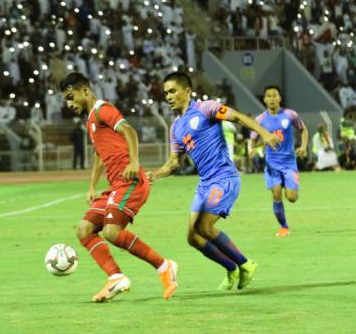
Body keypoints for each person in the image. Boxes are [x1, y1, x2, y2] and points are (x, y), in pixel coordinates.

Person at [148, 72, 279, 290]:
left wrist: (263, 132)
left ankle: (246, 264)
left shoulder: (205, 108)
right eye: (166, 93)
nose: (168, 97)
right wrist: (154, 175)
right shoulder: (175, 128)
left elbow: (236, 116)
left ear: (187, 91)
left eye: (172, 91)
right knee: (193, 237)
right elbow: (174, 163)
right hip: (205, 184)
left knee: (204, 226)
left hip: (224, 178)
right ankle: (232, 268)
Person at [60, 72, 178, 302]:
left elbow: (130, 131)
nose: (69, 103)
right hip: (116, 185)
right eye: (66, 99)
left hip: (131, 182)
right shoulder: (91, 120)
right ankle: (116, 277)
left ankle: (165, 266)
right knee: (84, 229)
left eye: (71, 97)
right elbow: (98, 154)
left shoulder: (103, 109)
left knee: (112, 232)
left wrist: (134, 162)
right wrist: (92, 185)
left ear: (85, 90)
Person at [249, 86, 309, 237]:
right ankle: (284, 227)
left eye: (274, 95)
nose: (271, 99)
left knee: (292, 198)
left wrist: (303, 146)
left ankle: (288, 183)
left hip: (289, 163)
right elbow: (252, 138)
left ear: (279, 98)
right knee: (276, 194)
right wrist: (251, 148)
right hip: (272, 164)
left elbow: (303, 129)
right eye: (268, 96)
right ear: (264, 99)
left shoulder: (290, 115)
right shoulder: (260, 119)